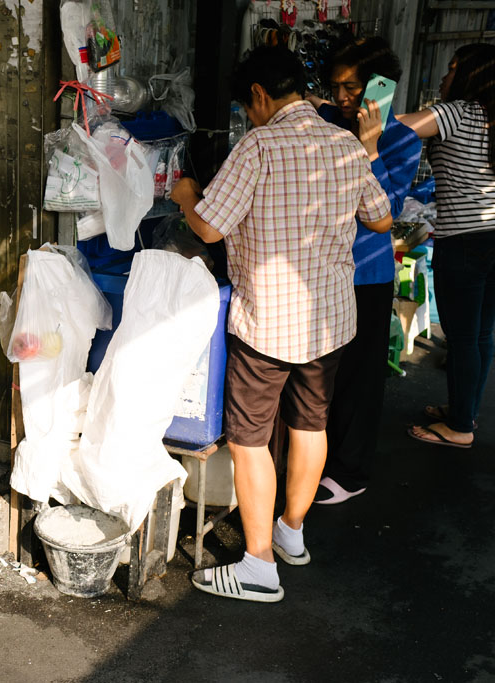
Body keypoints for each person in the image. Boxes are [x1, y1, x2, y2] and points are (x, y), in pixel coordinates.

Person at [171, 46, 392, 603]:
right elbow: (382, 217)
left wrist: (184, 196)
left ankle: (259, 566)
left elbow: (210, 230)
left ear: (261, 97)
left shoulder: (259, 146)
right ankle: (291, 533)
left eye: (248, 107)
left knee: (249, 441)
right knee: (310, 424)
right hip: (330, 320)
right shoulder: (345, 142)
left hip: (267, 323)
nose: (249, 117)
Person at [306, 38, 422, 504]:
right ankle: (312, 461)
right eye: (335, 87)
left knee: (359, 375)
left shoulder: (402, 139)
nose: (342, 97)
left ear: (380, 87)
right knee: (317, 375)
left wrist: (370, 147)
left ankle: (350, 473)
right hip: (317, 267)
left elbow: (388, 209)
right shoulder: (327, 122)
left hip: (366, 274)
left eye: (352, 87)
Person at [400, 44, 495, 449]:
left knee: (461, 337)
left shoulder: (458, 112)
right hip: (491, 235)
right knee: (481, 336)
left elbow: (399, 128)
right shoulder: (492, 119)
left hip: (465, 241)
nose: (443, 77)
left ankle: (460, 429)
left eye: (453, 69)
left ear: (472, 77)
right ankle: (464, 411)